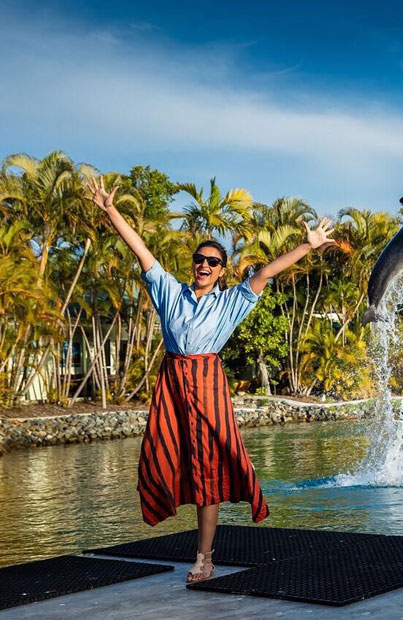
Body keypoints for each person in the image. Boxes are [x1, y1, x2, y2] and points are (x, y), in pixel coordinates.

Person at [86, 175, 335, 584]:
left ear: (221, 271)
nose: (204, 266)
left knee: (211, 466)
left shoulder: (231, 301)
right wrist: (111, 209)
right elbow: (142, 251)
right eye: (199, 260)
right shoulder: (169, 290)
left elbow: (267, 272)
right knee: (161, 455)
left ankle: (204, 558)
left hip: (207, 382)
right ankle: (167, 513)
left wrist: (307, 245)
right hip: (171, 382)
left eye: (212, 262)